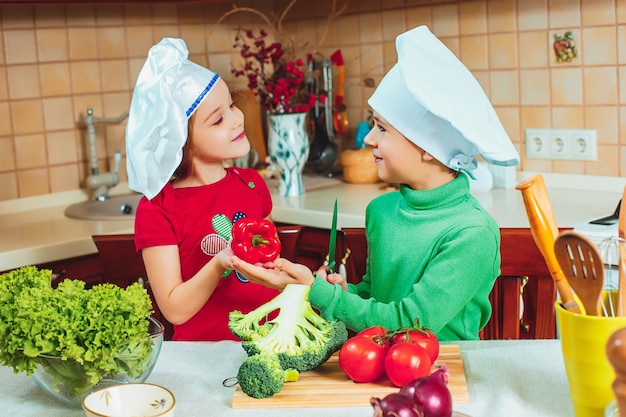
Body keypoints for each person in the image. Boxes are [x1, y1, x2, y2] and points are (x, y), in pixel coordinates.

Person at [231, 26, 520, 341]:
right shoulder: (381, 211)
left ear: (427, 147)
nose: (368, 138)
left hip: (444, 375)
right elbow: (376, 298)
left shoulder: (472, 233)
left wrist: (319, 293)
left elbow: (411, 323)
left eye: (381, 128)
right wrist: (344, 291)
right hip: (377, 363)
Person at [125, 38, 279, 341]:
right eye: (219, 119)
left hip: (270, 344)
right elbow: (175, 310)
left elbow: (270, 270)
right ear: (179, 140)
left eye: (232, 105)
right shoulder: (158, 208)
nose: (237, 119)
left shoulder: (252, 183)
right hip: (202, 361)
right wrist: (220, 262)